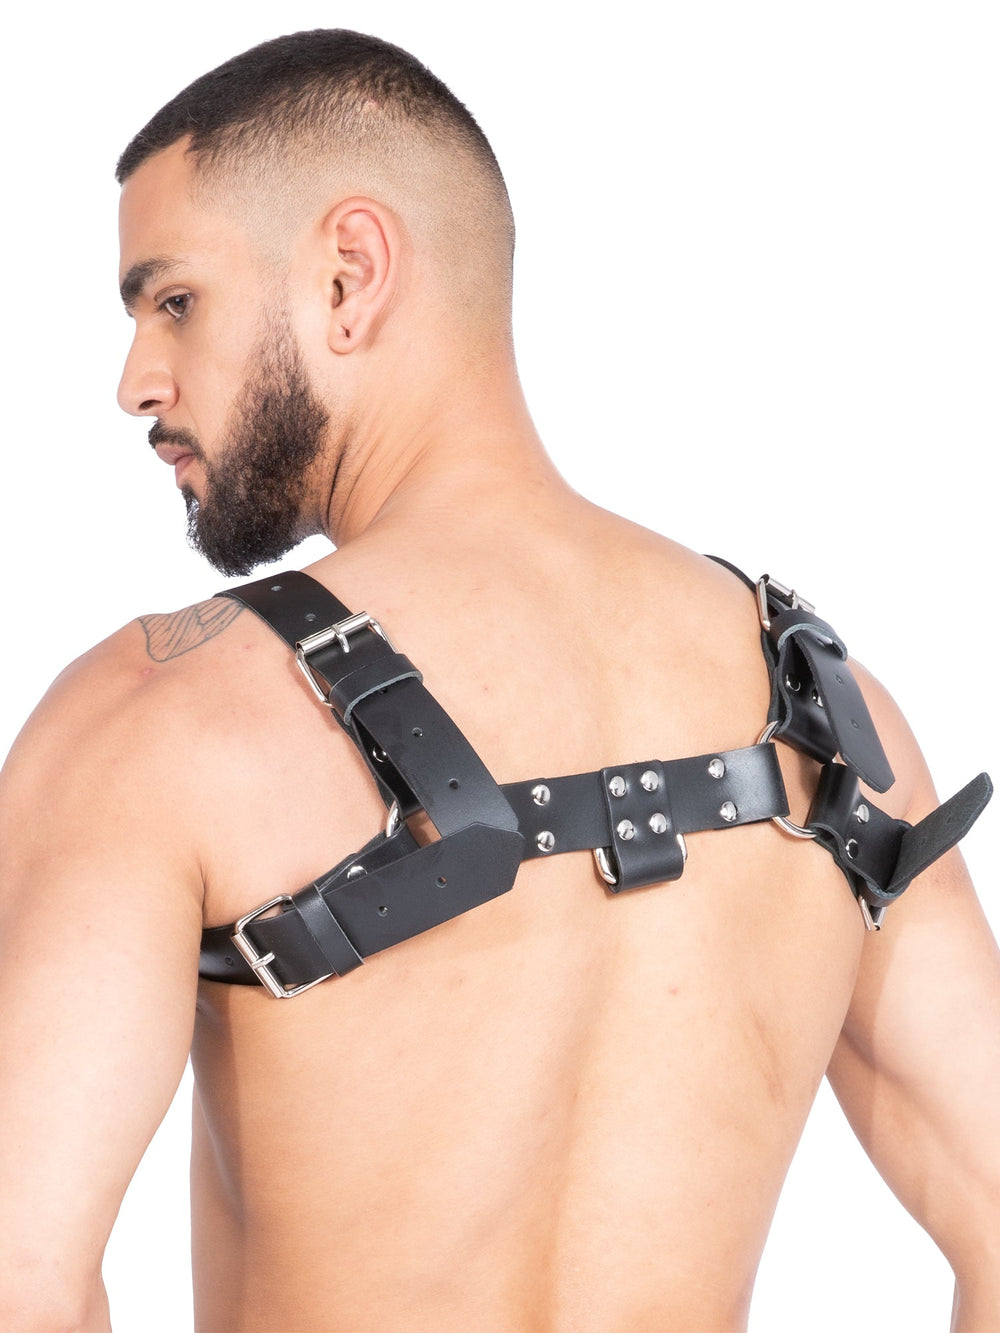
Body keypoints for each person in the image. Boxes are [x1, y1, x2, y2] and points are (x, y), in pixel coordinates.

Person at [0, 27, 997, 1333]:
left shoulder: (162, 715)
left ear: (350, 275)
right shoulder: (823, 714)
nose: (137, 381)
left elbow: (20, 1277)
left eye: (172, 299)